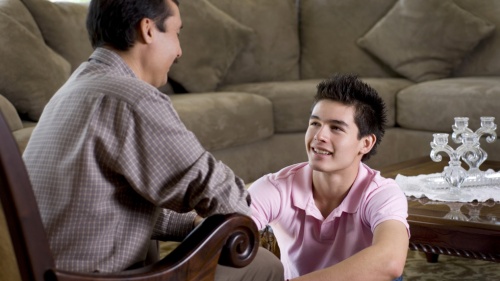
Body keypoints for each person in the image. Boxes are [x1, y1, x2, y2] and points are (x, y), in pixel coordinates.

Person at [23, 0, 283, 280]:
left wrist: (191, 223)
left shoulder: (70, 92)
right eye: (176, 33)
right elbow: (229, 202)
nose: (179, 51)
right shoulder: (133, 99)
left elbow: (103, 207)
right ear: (147, 29)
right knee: (265, 265)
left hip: (43, 270)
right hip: (96, 277)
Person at [248, 74, 410, 281]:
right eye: (315, 124)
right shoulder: (277, 187)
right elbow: (223, 232)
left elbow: (390, 261)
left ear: (366, 143)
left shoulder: (381, 192)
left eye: (336, 128)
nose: (319, 136)